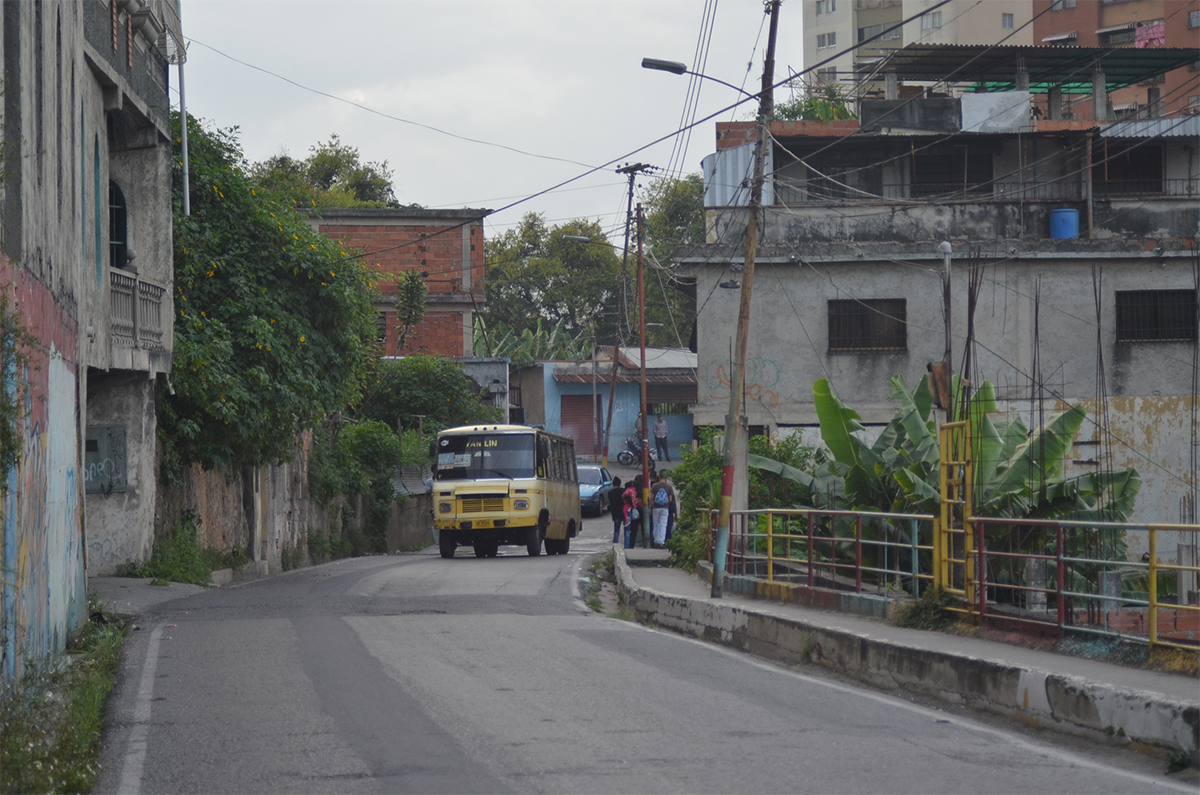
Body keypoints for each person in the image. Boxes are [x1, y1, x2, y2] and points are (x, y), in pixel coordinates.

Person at [650, 472, 674, 549]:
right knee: (663, 525)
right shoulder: (669, 487)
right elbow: (670, 499)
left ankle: (656, 541)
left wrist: (650, 507)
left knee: (656, 524)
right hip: (665, 508)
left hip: (656, 508)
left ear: (659, 476)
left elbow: (652, 498)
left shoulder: (654, 486)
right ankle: (661, 542)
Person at [623, 475, 644, 549]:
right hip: (643, 511)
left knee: (633, 530)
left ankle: (631, 545)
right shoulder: (644, 490)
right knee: (644, 529)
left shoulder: (634, 490)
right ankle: (645, 544)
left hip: (635, 511)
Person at [607, 476, 625, 545]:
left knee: (616, 530)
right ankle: (626, 545)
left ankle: (615, 544)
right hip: (623, 512)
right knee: (626, 530)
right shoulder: (623, 491)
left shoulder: (610, 493)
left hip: (615, 513)